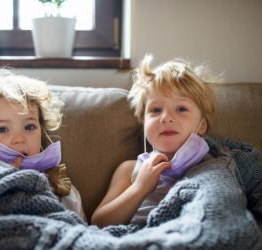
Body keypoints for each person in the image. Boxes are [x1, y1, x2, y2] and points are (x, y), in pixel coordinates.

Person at [91, 54, 217, 227]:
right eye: (156, 110)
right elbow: (99, 222)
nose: (166, 118)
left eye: (181, 108)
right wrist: (140, 188)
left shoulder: (214, 167)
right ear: (144, 122)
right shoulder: (129, 170)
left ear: (201, 126)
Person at [0, 69, 86, 221]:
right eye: (2, 129)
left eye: (29, 127)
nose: (19, 138)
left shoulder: (61, 188)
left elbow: (77, 227)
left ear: (41, 131)